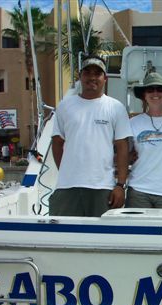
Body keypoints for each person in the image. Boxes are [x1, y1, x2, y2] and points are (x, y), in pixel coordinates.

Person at [49, 56, 132, 217]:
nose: (92, 78)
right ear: (80, 76)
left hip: (103, 187)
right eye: (87, 73)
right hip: (67, 187)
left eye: (97, 73)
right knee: (63, 238)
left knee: (103, 239)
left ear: (105, 78)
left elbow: (123, 147)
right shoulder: (65, 106)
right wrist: (68, 171)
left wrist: (120, 185)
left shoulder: (116, 107)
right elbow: (57, 143)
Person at [127, 73, 162, 209]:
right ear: (144, 95)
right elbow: (123, 153)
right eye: (150, 90)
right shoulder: (133, 123)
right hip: (138, 190)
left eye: (160, 89)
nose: (155, 93)